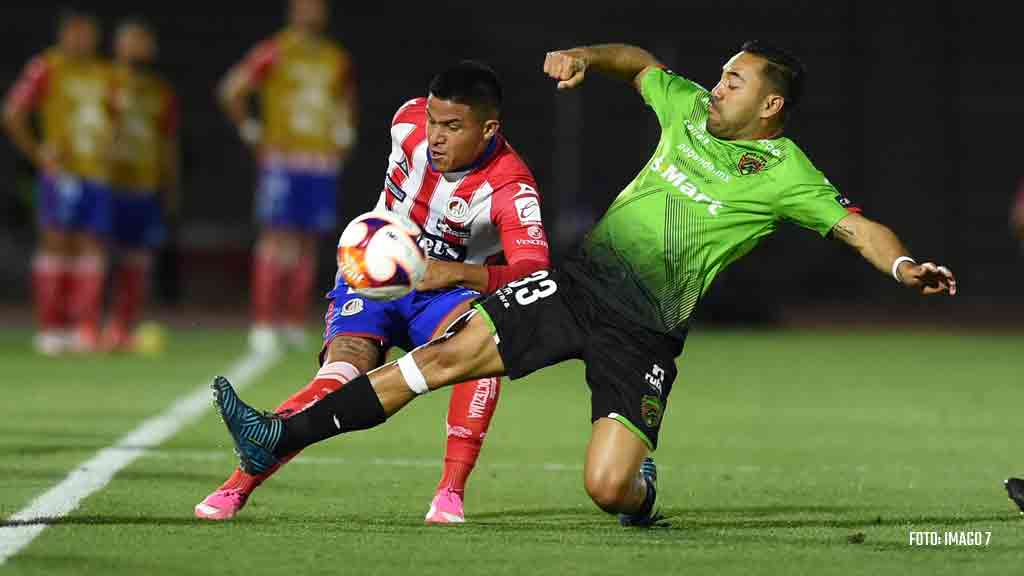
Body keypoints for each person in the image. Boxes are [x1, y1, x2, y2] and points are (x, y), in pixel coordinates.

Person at [209, 42, 957, 526]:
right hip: (579, 286)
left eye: (734, 81)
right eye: (722, 74)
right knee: (439, 359)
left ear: (770, 106)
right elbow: (638, 64)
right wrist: (585, 57)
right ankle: (277, 435)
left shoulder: (789, 174)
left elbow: (858, 227)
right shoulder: (689, 109)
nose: (717, 86)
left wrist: (901, 266)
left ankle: (642, 492)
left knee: (607, 488)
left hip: (645, 331)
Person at [195, 61, 551, 523]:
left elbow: (534, 273)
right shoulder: (405, 122)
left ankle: (449, 493)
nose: (437, 136)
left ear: (488, 129)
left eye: (453, 127)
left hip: (444, 295)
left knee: (484, 348)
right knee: (341, 371)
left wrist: (455, 273)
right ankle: (238, 485)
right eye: (434, 121)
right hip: (374, 277)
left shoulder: (511, 186)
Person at [219, 0, 358, 352]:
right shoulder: (275, 51)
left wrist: (344, 135)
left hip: (319, 161)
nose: (312, 12)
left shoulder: (334, 58)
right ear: (294, 10)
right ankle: (264, 322)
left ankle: (294, 320)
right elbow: (232, 90)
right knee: (277, 238)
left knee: (308, 241)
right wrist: (251, 131)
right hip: (283, 158)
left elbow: (346, 101)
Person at [3, 10, 114, 355]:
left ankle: (83, 329)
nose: (81, 40)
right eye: (75, 33)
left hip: (95, 174)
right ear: (63, 35)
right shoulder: (46, 67)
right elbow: (12, 112)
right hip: (62, 175)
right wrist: (38, 154)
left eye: (87, 34)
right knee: (56, 244)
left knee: (91, 247)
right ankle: (52, 329)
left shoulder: (104, 74)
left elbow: (115, 121)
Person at [103, 18, 179, 351]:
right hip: (106, 183)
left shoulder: (159, 91)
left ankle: (125, 324)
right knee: (100, 256)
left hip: (144, 186)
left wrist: (171, 184)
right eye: (133, 40)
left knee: (136, 259)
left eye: (144, 41)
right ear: (118, 44)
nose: (139, 48)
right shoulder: (102, 82)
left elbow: (168, 142)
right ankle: (91, 325)